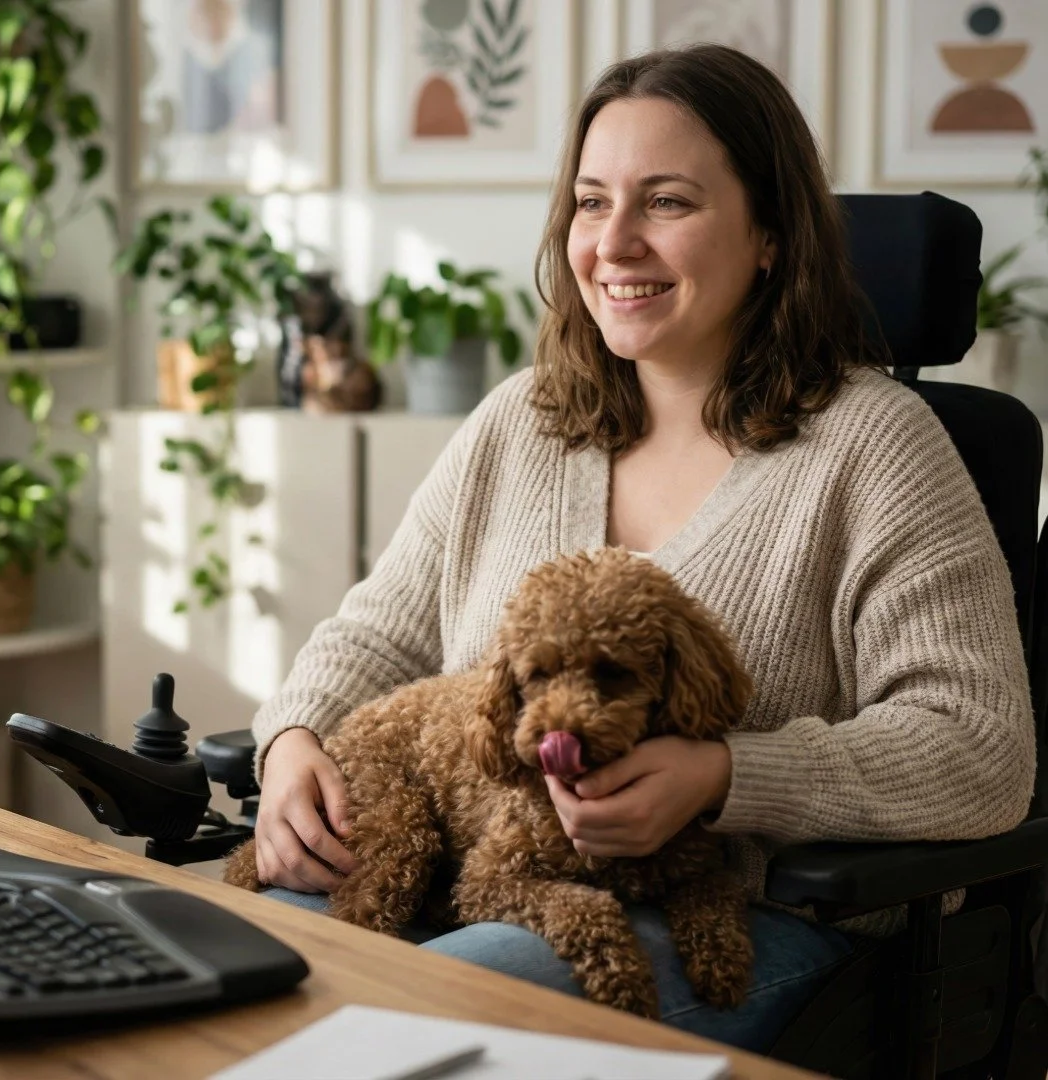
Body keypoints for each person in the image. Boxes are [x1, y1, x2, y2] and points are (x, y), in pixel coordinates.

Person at [246, 45, 1037, 1053]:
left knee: (395, 1026)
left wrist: (723, 779)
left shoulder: (876, 447)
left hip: (751, 922)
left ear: (768, 234)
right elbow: (377, 632)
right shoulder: (521, 423)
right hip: (487, 875)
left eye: (665, 202)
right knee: (236, 969)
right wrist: (296, 742)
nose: (613, 243)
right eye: (589, 202)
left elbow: (981, 750)